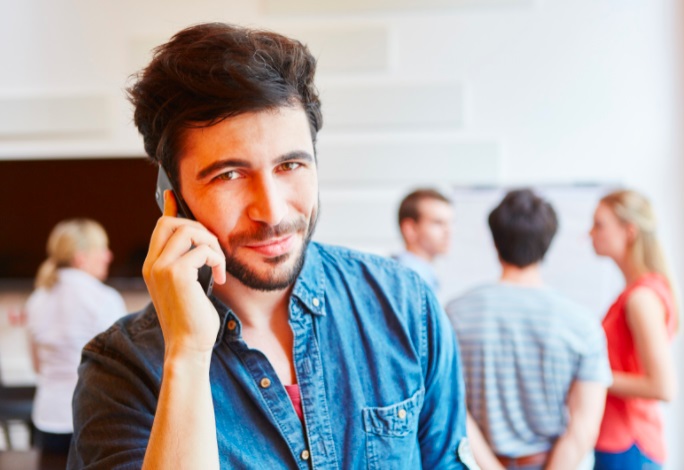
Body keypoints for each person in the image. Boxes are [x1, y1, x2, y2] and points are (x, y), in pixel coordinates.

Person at [68, 23, 473, 469]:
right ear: (172, 198)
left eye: (291, 164)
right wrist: (186, 353)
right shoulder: (120, 370)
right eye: (229, 175)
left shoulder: (403, 305)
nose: (273, 211)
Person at [446, 189, 611, 470]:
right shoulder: (581, 324)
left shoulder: (455, 314)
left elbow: (454, 409)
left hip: (477, 463)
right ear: (548, 243)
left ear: (495, 242)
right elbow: (583, 428)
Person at [590, 190, 678, 470]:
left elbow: (663, 387)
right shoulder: (637, 293)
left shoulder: (641, 299)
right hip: (621, 443)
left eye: (599, 224)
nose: (591, 233)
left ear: (629, 231)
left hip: (628, 444)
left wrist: (591, 375)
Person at [25, 218, 126, 461]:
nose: (108, 256)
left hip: (47, 418)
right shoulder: (104, 299)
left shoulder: (36, 299)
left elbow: (37, 365)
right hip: (91, 419)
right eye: (102, 249)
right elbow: (122, 369)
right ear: (81, 257)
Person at [394, 188, 454, 293]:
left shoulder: (424, 275)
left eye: (450, 223)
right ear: (410, 229)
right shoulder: (407, 280)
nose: (448, 231)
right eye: (438, 223)